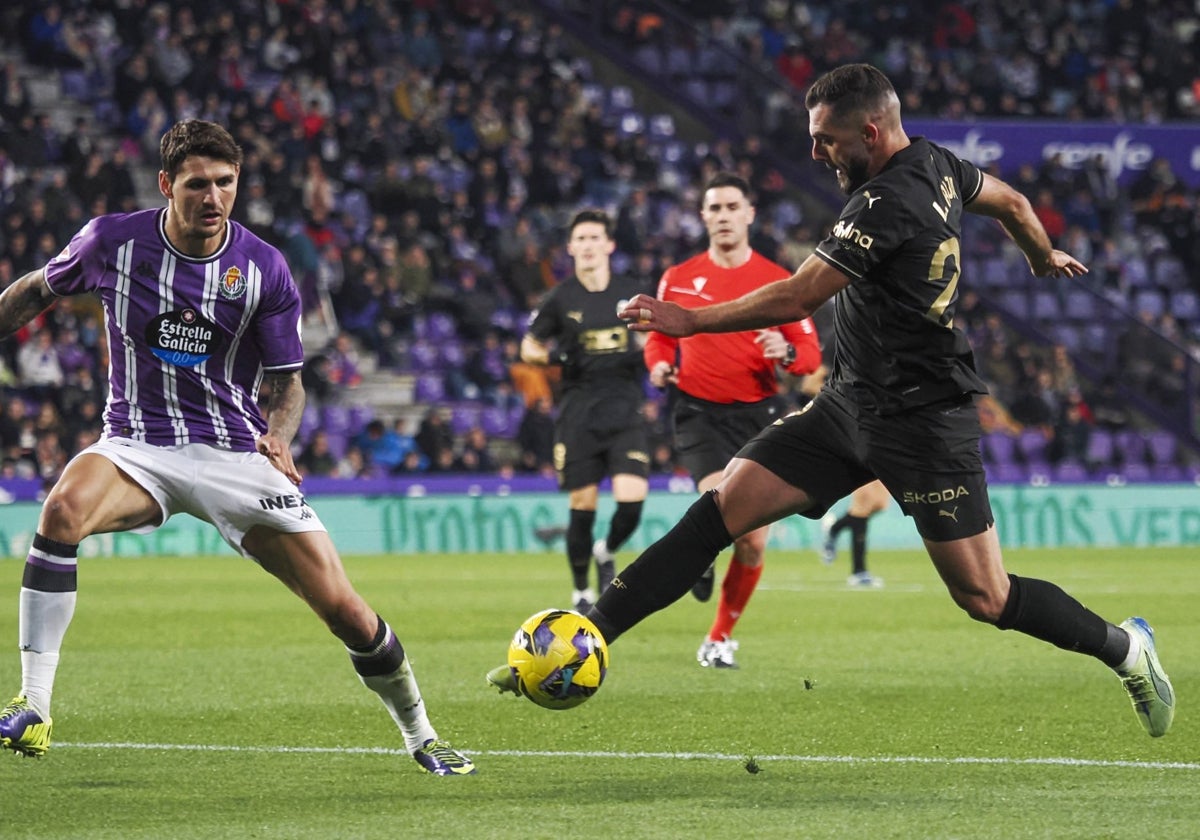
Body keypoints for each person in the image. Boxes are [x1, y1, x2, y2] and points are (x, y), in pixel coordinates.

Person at [488, 65, 1173, 739]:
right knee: (722, 508)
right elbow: (1015, 203)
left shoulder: (885, 202)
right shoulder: (940, 164)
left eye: (827, 139)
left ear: (870, 133)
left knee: (985, 598)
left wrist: (691, 321)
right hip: (848, 405)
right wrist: (1041, 255)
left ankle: (1126, 650)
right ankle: (582, 641)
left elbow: (799, 295)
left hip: (923, 421)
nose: (817, 152)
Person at [0, 120, 476, 774]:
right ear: (167, 185)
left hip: (235, 454)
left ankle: (421, 733)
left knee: (344, 610)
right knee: (60, 513)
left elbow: (289, 384)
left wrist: (279, 437)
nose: (213, 198)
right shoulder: (112, 242)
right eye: (198, 184)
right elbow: (36, 290)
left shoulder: (264, 268)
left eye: (226, 183)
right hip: (139, 444)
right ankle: (36, 705)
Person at [643, 172, 821, 669]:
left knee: (752, 539)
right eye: (714, 208)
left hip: (758, 417)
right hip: (698, 412)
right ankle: (701, 552)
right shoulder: (677, 276)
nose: (722, 216)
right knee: (718, 502)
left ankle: (718, 637)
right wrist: (657, 363)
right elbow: (659, 337)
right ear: (703, 217)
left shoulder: (777, 280)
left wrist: (784, 349)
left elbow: (808, 354)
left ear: (749, 214)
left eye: (731, 207)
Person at [520, 209, 650, 611]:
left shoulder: (632, 293)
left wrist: (650, 352)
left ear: (609, 245)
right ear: (572, 248)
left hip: (625, 410)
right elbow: (529, 347)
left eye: (597, 238)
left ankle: (606, 549)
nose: (589, 245)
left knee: (632, 502)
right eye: (582, 239)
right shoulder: (560, 298)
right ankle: (581, 592)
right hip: (579, 414)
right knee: (582, 504)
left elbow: (653, 341)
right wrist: (555, 356)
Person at [819, 478, 889, 587]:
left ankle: (834, 529)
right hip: (866, 465)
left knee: (880, 503)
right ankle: (859, 571)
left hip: (882, 466)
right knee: (862, 508)